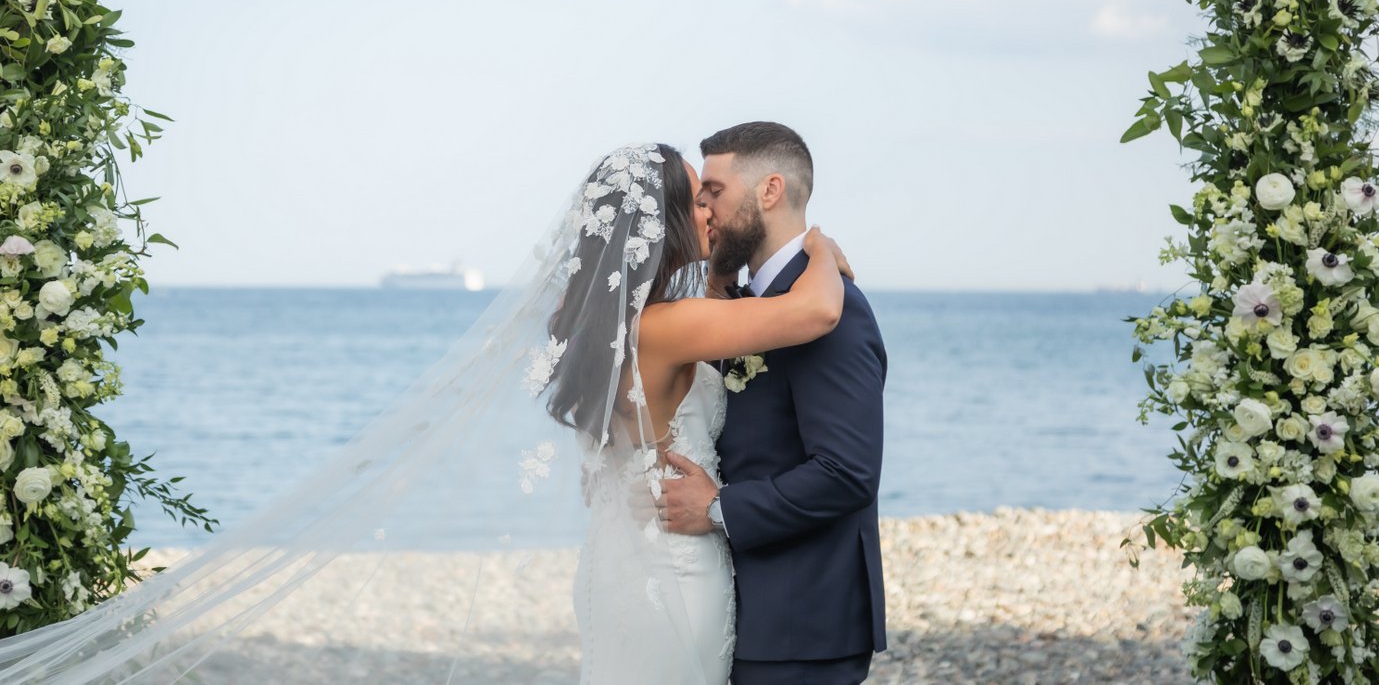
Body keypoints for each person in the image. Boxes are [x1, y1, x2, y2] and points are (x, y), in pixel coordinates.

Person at [0, 140, 857, 685]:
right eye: (697, 200)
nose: (708, 211)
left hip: (612, 568)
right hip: (671, 573)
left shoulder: (602, 325)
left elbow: (712, 301)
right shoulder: (671, 327)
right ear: (667, 221)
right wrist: (818, 243)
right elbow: (815, 312)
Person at [662, 122, 888, 685]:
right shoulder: (744, 306)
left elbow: (846, 472)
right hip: (735, 612)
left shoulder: (835, 309)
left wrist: (717, 508)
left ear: (769, 190)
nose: (704, 208)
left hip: (799, 624)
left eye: (713, 190)